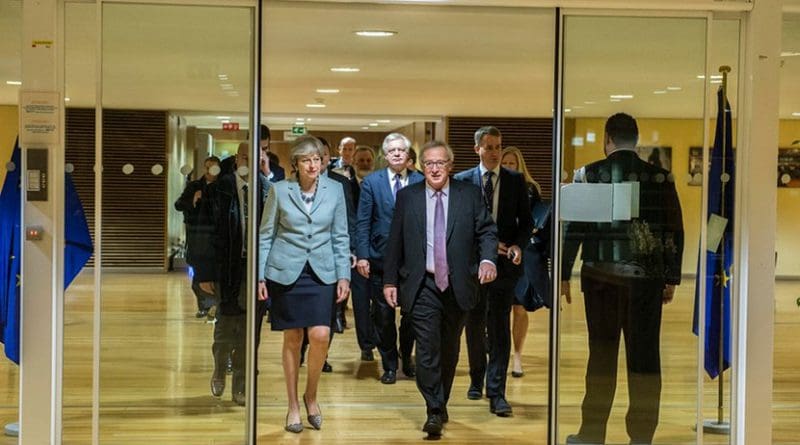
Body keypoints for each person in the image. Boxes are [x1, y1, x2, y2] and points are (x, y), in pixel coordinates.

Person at [561, 113, 684, 445]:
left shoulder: (589, 175)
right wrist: (670, 275)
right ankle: (642, 436)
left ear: (607, 139)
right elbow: (673, 228)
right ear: (637, 138)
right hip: (646, 280)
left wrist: (562, 273)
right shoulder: (660, 177)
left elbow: (575, 227)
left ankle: (592, 433)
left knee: (601, 354)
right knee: (644, 357)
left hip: (600, 279)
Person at [383, 140, 498, 437]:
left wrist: (487, 260)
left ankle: (440, 399)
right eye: (429, 163)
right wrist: (390, 281)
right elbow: (394, 241)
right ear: (421, 166)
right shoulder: (408, 197)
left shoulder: (469, 195)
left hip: (458, 284)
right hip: (422, 284)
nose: (435, 168)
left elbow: (486, 231)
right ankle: (433, 408)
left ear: (450, 165)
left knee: (449, 348)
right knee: (427, 348)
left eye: (440, 163)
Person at [257, 135, 351, 434]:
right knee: (293, 338)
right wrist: (261, 275)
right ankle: (293, 405)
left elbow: (340, 235)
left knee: (321, 334)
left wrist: (343, 275)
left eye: (317, 159)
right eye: (306, 160)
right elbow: (266, 234)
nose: (313, 165)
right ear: (295, 164)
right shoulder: (279, 190)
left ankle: (311, 395)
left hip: (322, 272)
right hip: (286, 271)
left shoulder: (335, 190)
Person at [455, 127, 532, 417]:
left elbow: (526, 223)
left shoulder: (514, 180)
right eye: (488, 147)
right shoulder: (462, 181)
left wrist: (516, 246)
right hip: (473, 267)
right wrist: (485, 245)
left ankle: (497, 391)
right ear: (477, 149)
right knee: (474, 325)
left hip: (504, 267)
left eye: (498, 146)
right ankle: (477, 378)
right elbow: (458, 227)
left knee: (499, 327)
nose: (494, 152)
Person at [356, 133, 423, 384]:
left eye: (401, 150)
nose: (396, 153)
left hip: (413, 262)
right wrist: (362, 255)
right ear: (384, 156)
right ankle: (390, 364)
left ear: (408, 156)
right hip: (380, 260)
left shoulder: (420, 180)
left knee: (412, 315)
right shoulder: (372, 183)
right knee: (383, 317)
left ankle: (407, 357)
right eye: (392, 150)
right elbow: (363, 223)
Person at [208, 142, 271, 406]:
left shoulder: (266, 189)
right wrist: (205, 272)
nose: (251, 161)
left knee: (249, 333)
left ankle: (241, 384)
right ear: (237, 158)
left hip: (254, 271)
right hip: (226, 270)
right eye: (246, 156)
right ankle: (221, 367)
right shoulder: (219, 188)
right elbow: (207, 234)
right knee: (225, 328)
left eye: (258, 158)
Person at [500, 146, 547, 378]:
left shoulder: (530, 188)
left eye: (512, 163)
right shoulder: (493, 186)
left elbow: (536, 219)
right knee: (498, 308)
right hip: (499, 251)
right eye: (505, 163)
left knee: (519, 307)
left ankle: (517, 356)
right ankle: (499, 354)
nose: (509, 167)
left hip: (523, 250)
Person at [174, 155, 221, 318]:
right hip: (197, 237)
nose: (209, 171)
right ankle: (205, 306)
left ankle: (216, 305)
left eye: (213, 167)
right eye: (207, 167)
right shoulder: (194, 186)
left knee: (214, 275)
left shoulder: (223, 186)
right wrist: (193, 200)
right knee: (199, 276)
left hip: (217, 239)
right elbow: (178, 205)